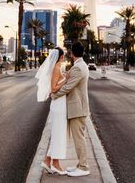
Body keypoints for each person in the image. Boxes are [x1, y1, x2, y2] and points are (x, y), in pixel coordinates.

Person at [51, 41, 90, 177]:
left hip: (78, 108)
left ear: (72, 53)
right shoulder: (79, 66)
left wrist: (54, 94)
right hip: (78, 108)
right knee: (79, 137)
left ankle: (84, 167)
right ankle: (80, 165)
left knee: (79, 139)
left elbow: (68, 87)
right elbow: (69, 79)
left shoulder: (78, 68)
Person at [35, 47, 68, 175]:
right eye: (63, 55)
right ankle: (56, 164)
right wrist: (66, 79)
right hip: (58, 105)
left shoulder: (58, 67)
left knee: (58, 134)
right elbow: (53, 88)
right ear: (60, 56)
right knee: (58, 134)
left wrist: (64, 77)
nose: (64, 57)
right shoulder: (56, 67)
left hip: (60, 104)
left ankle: (48, 160)